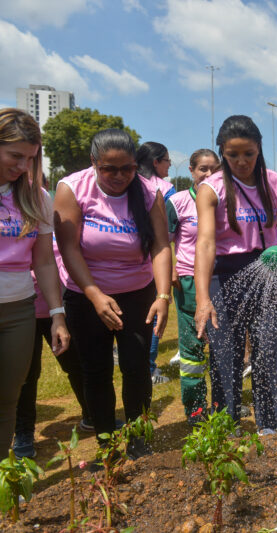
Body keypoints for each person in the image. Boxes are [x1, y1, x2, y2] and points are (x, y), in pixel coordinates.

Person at [54, 128, 170, 457]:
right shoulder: (72, 188)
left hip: (137, 294)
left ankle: (138, 440)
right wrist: (94, 295)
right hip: (86, 295)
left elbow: (161, 246)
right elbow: (69, 248)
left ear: (136, 166)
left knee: (136, 368)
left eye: (127, 169)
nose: (119, 177)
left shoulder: (149, 192)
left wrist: (162, 295)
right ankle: (107, 446)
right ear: (94, 164)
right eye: (109, 169)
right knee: (96, 371)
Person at [194, 115, 277, 436]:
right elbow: (205, 243)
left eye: (249, 154)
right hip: (224, 276)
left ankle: (270, 425)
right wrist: (203, 299)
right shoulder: (210, 189)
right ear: (222, 154)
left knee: (268, 351)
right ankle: (227, 426)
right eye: (232, 155)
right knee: (225, 357)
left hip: (266, 272)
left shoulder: (272, 181)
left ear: (259, 150)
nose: (241, 162)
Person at [0, 108, 69, 454]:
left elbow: (43, 262)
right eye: (15, 156)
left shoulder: (36, 197)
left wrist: (57, 313)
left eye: (30, 158)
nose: (23, 166)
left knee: (9, 397)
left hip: (18, 311)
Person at [12, 251, 89, 458]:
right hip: (21, 311)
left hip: (59, 309)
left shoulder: (56, 223)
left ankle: (92, 415)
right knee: (26, 375)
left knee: (76, 364)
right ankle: (24, 433)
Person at [166, 148, 219, 425]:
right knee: (193, 353)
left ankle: (223, 407)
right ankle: (196, 411)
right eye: (203, 169)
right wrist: (171, 269)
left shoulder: (225, 200)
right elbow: (163, 242)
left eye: (214, 169)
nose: (209, 174)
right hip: (188, 282)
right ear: (191, 170)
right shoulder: (177, 202)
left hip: (222, 279)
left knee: (223, 347)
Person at [136, 141, 176, 385]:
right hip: (156, 262)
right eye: (167, 160)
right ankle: (149, 368)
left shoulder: (130, 185)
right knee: (154, 315)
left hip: (128, 262)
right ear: (155, 162)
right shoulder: (165, 189)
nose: (170, 164)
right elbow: (168, 233)